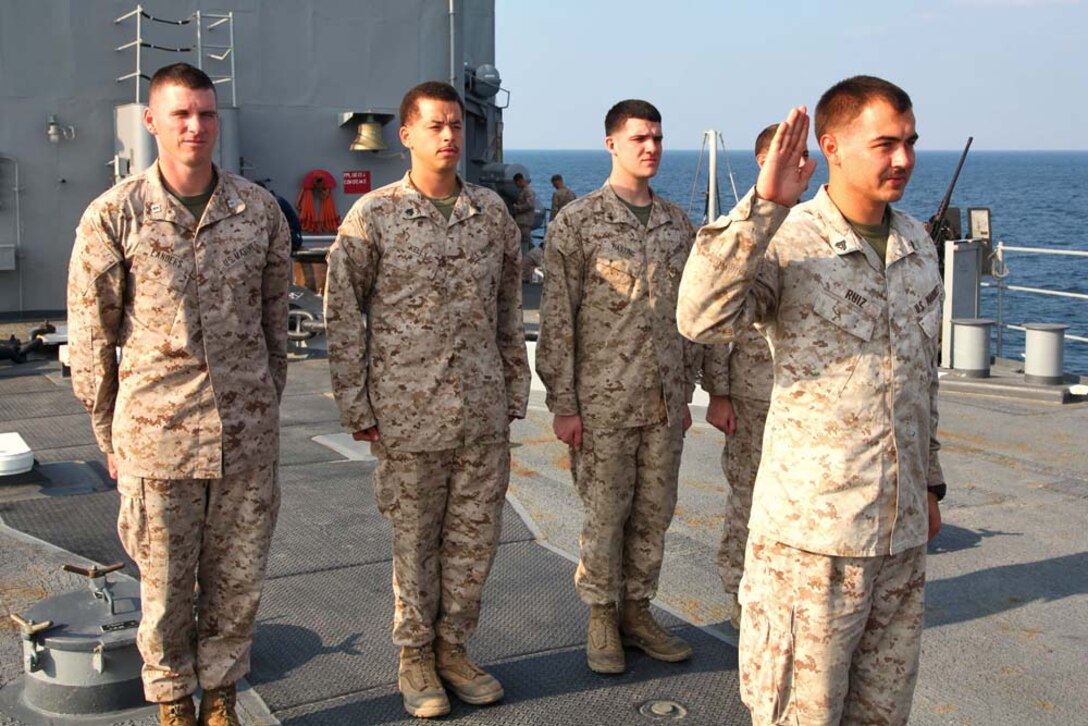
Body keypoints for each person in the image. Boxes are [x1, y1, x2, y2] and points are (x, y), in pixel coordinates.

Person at [677, 76, 946, 725]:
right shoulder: (789, 241)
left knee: (883, 715)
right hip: (812, 544)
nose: (903, 158)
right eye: (885, 143)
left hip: (899, 539)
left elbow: (921, 382)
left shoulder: (918, 245)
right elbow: (700, 316)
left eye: (909, 142)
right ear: (832, 146)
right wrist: (761, 209)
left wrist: (931, 485)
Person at [67, 62, 290, 726]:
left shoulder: (257, 213)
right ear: (152, 121)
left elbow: (275, 325)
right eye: (181, 114)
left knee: (237, 582)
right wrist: (112, 437)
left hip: (246, 440)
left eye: (207, 114)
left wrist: (260, 406)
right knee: (163, 592)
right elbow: (90, 338)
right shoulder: (115, 215)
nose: (196, 127)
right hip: (156, 442)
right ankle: (172, 702)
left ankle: (220, 697)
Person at [324, 81, 530, 719]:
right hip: (408, 418)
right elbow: (341, 314)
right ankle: (414, 657)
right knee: (415, 545)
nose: (448, 136)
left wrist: (515, 388)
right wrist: (358, 407)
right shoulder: (374, 217)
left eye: (455, 126)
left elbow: (507, 308)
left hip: (481, 412)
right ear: (407, 135)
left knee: (474, 543)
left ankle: (454, 649)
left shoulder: (491, 214)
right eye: (434, 126)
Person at [537, 99, 704, 675]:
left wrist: (688, 392)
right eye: (639, 138)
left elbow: (693, 314)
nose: (651, 147)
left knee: (654, 514)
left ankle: (638, 611)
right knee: (605, 516)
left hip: (663, 404)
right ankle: (601, 619)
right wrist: (564, 404)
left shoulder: (679, 225)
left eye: (657, 137)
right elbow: (558, 320)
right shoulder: (577, 223)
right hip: (603, 403)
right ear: (612, 144)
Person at [703, 123, 813, 629]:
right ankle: (740, 593)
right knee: (747, 498)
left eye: (800, 157)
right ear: (760, 164)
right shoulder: (745, 230)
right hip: (751, 394)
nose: (794, 166)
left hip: (807, 400)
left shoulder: (817, 230)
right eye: (780, 159)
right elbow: (719, 321)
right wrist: (719, 393)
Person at [512, 172, 537, 280]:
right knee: (524, 243)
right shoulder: (524, 191)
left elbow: (530, 204)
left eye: (517, 183)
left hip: (525, 221)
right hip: (522, 222)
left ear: (520, 181)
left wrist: (518, 207)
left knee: (527, 244)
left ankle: (527, 267)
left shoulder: (528, 191)